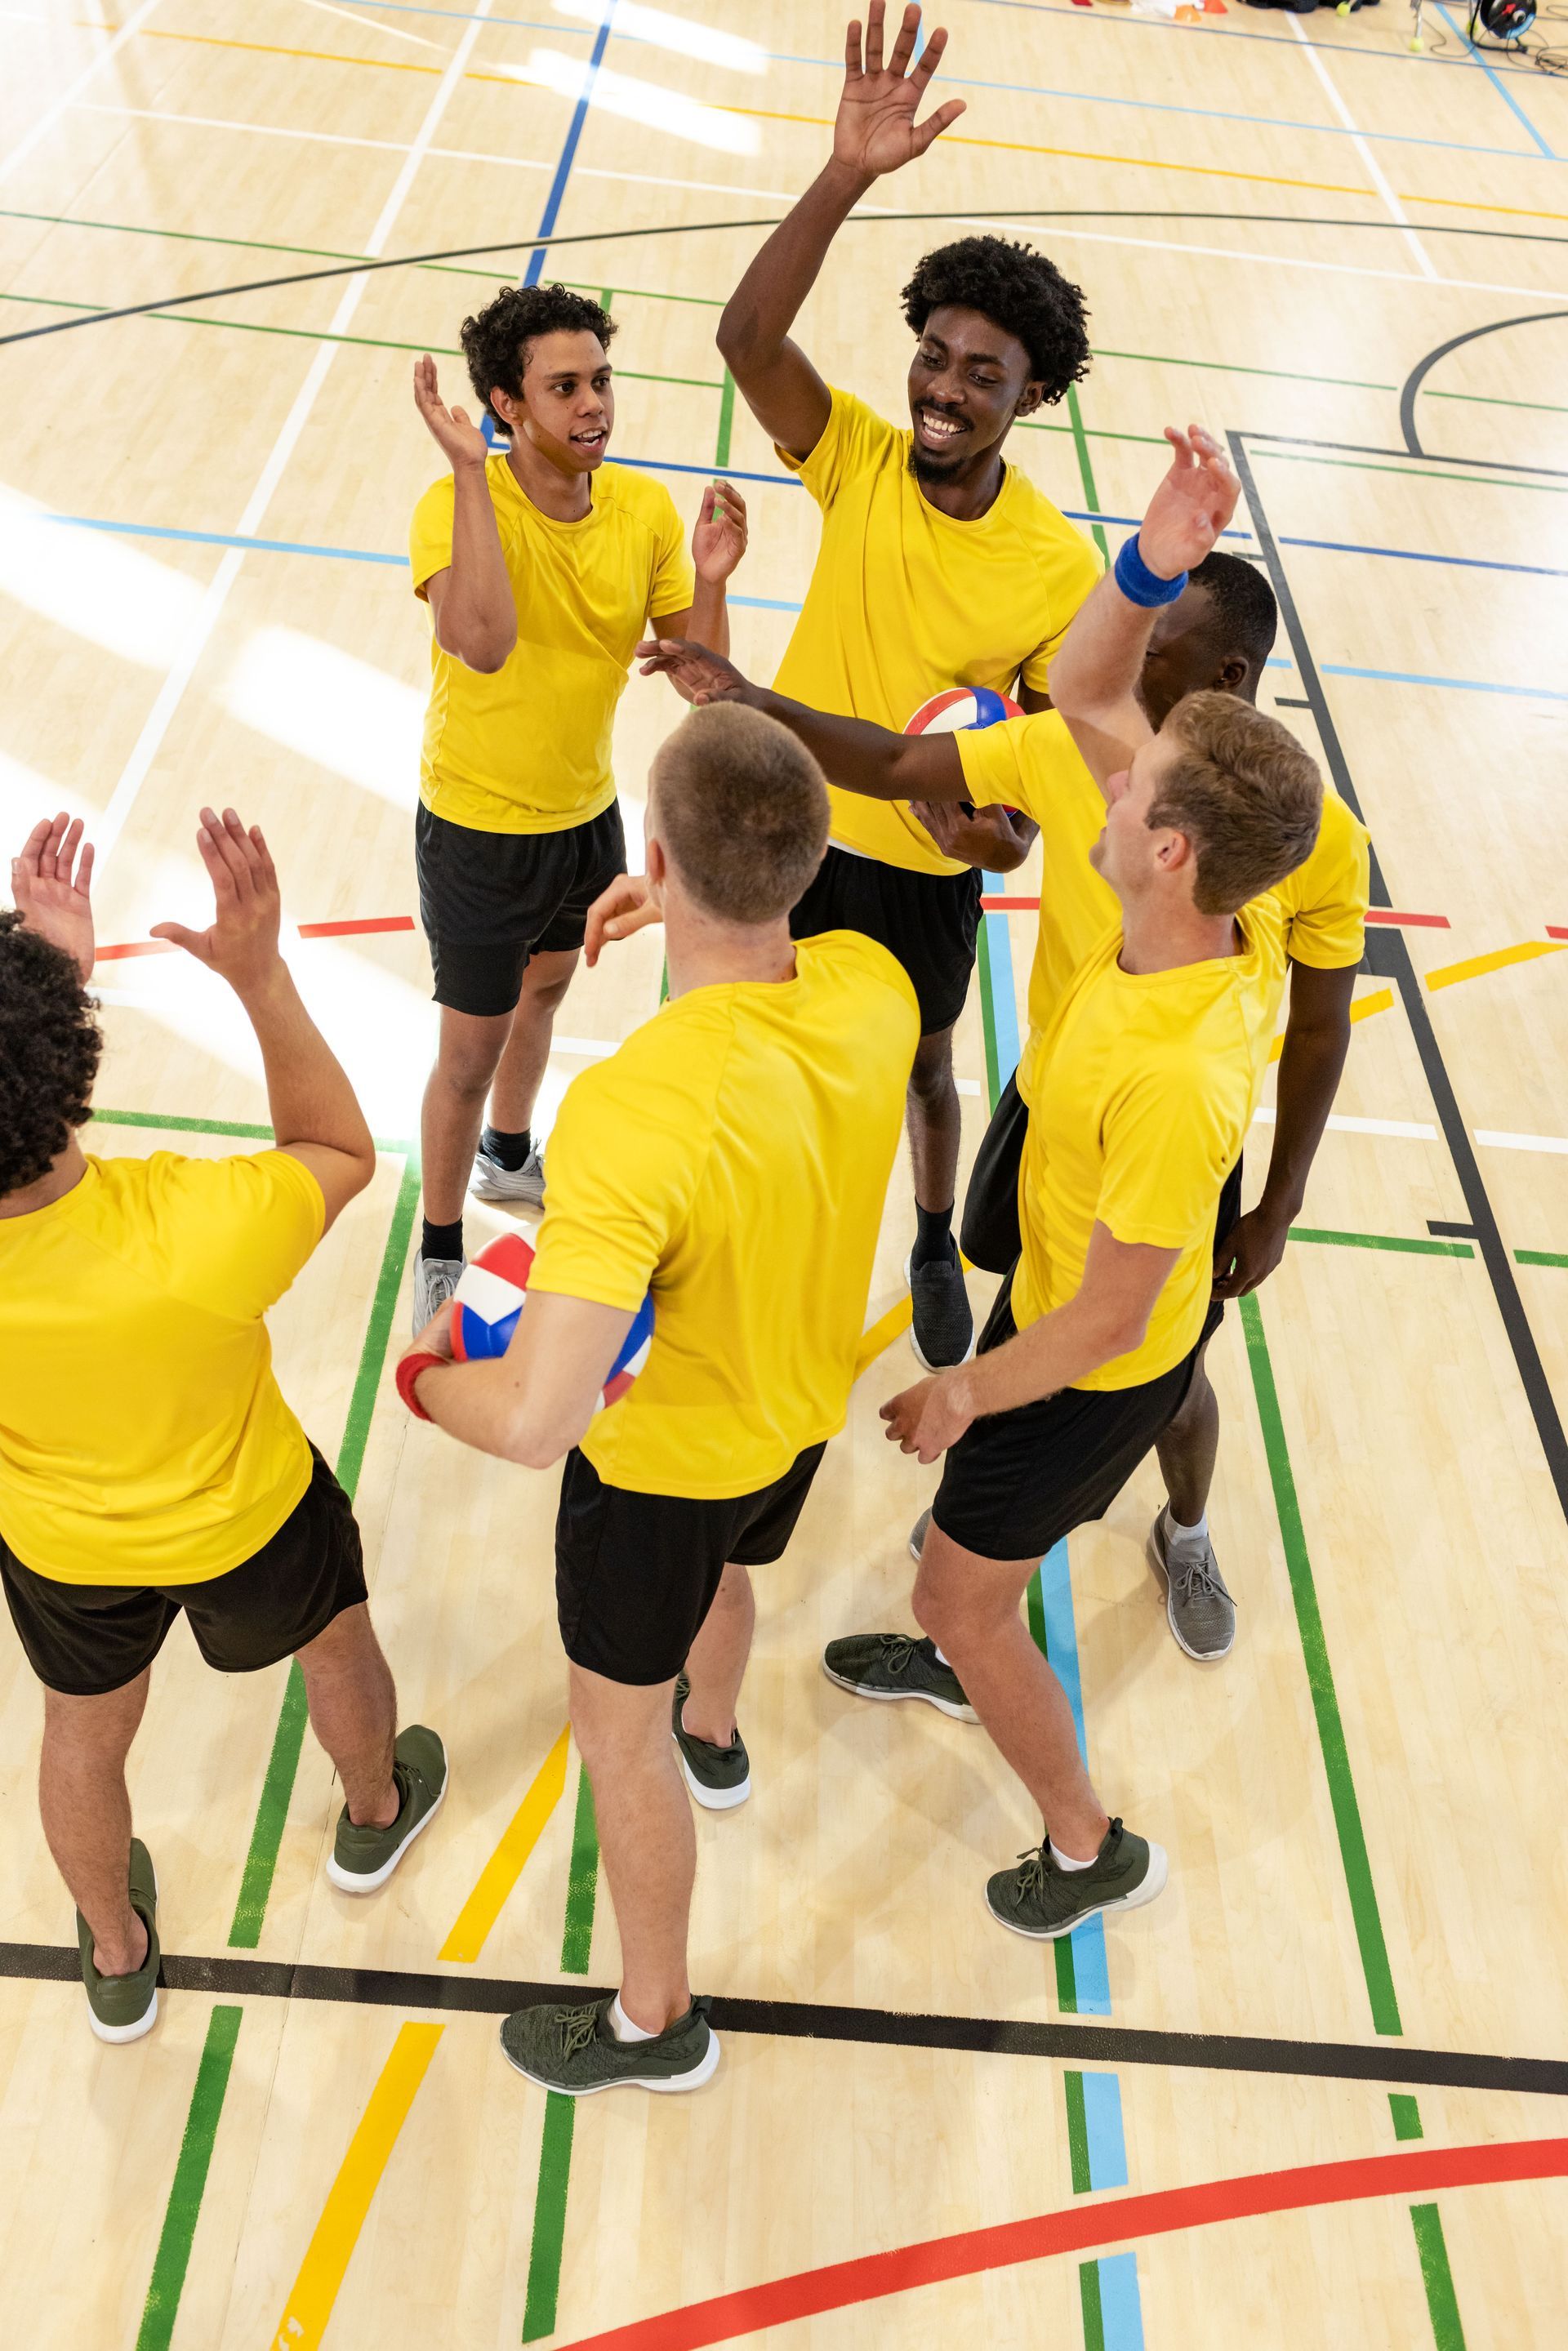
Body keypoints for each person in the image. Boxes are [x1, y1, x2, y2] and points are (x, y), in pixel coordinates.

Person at [639, 429, 1324, 1940]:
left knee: (961, 1587)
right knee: (970, 1546)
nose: (1095, 733)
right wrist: (1150, 548)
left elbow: (1116, 1318)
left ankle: (1086, 1840)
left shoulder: (1179, 1073)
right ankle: (967, 1624)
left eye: (1133, 761)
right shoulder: (1199, 922)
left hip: (1090, 1365)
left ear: (1159, 843)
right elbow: (1087, 682)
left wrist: (968, 1391)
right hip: (1064, 1280)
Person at [396, 704, 918, 2091]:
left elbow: (533, 1420)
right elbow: (752, 1026)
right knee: (731, 1578)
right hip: (794, 1418)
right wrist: (694, 899)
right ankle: (719, 1731)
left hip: (657, 1467)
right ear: (807, 865)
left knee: (610, 1728)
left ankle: (653, 2016)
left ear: (652, 857)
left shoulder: (633, 1111)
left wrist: (428, 1371)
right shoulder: (877, 988)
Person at [0, 810, 446, 2046]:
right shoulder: (193, 1230)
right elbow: (336, 1146)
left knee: (82, 1739)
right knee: (337, 1648)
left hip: (63, 1550)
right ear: (67, 1067)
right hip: (248, 1514)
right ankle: (372, 1810)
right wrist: (258, 975)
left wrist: (53, 987)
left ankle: (114, 1948)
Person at [717, 0, 1102, 1373]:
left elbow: (1031, 800)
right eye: (933, 356)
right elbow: (749, 341)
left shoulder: (1061, 572)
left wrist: (984, 836)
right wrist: (843, 175)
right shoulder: (864, 458)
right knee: (763, 1053)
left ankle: (934, 1228)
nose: (942, 388)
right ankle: (771, 1244)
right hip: (784, 825)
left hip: (916, 870)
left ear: (1032, 394)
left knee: (927, 1069)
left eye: (980, 373)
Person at [408, 282, 749, 1325]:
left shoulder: (641, 508)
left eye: (601, 379)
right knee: (468, 1052)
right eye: (564, 388)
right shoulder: (450, 507)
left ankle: (510, 1158)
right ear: (507, 407)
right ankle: (439, 1242)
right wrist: (471, 474)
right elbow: (483, 640)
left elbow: (706, 681)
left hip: (581, 815)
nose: (595, 403)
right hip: (475, 824)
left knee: (547, 998)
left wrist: (710, 577)